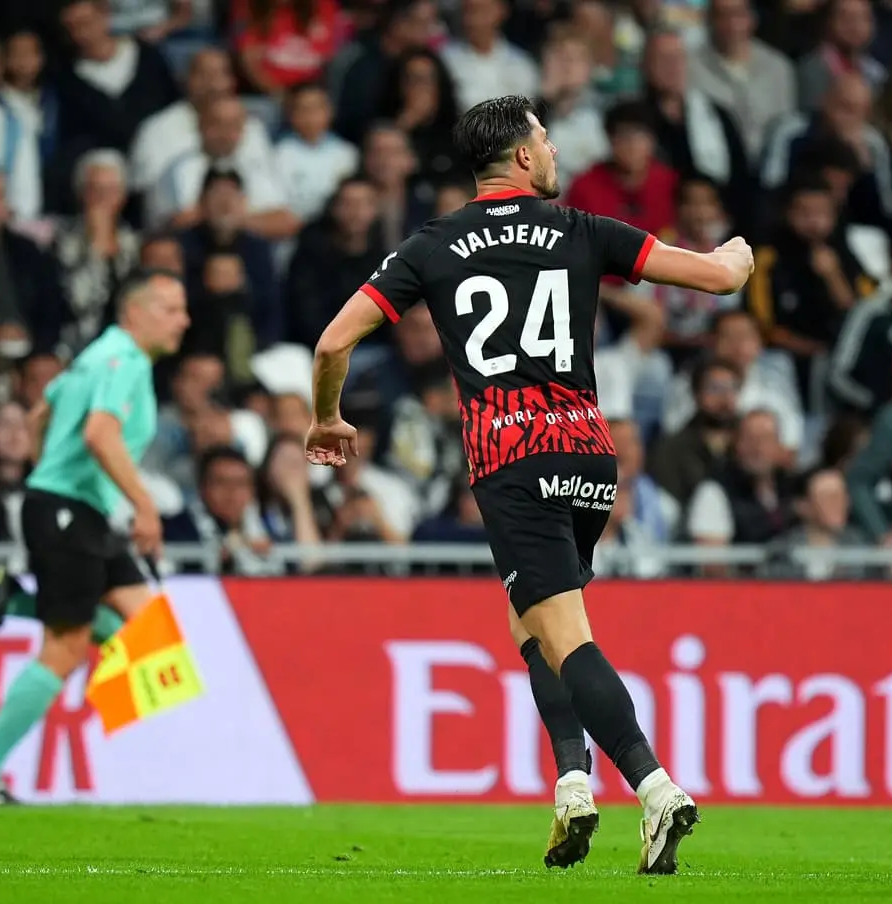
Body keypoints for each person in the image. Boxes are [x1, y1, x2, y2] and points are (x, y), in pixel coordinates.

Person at [304, 95, 753, 874]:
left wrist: (326, 419)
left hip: (509, 462)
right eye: (543, 139)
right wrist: (740, 257)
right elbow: (714, 279)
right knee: (533, 621)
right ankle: (571, 783)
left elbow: (332, 341)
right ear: (519, 157)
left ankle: (652, 788)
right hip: (587, 457)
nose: (552, 151)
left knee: (565, 635)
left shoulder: (432, 244)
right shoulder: (581, 230)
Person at [0, 269, 190, 805]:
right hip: (70, 512)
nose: (184, 320)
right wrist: (144, 507)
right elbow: (99, 434)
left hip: (76, 510)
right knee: (67, 646)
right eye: (171, 308)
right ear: (135, 312)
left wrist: (47, 476)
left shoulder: (94, 356)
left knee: (152, 638)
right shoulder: (122, 361)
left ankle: (14, 599)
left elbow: (40, 414)